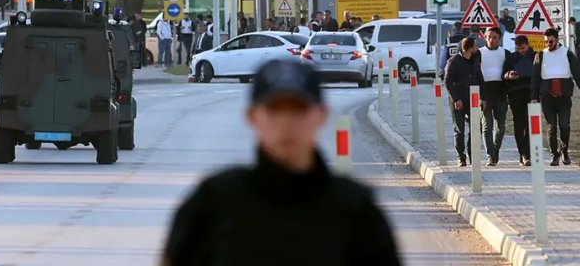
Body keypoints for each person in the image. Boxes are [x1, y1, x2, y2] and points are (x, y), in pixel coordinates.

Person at [162, 60, 401, 266]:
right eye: (275, 110)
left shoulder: (355, 210)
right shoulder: (214, 203)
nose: (287, 122)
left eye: (299, 109)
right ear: (253, 117)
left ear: (321, 115)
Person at [531, 28, 580, 167]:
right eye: (545, 42)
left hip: (564, 97)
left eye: (550, 41)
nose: (548, 44)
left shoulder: (567, 54)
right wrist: (533, 97)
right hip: (547, 97)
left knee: (564, 125)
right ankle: (554, 155)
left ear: (557, 40)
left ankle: (564, 151)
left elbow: (577, 75)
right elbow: (535, 78)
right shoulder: (540, 55)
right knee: (551, 127)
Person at [444, 37, 482, 167]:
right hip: (458, 100)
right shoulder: (453, 61)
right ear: (470, 48)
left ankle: (473, 154)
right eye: (475, 46)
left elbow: (479, 78)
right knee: (459, 130)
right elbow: (447, 82)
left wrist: (483, 97)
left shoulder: (476, 59)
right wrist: (456, 99)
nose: (477, 48)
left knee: (476, 128)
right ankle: (461, 156)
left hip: (473, 99)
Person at [476, 27, 509, 167]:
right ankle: (490, 155)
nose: (491, 39)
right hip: (485, 93)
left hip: (500, 92)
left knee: (500, 127)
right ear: (485, 37)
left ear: (499, 38)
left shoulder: (505, 53)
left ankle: (495, 150)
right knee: (486, 126)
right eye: (489, 37)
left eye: (494, 37)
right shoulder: (479, 53)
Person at [503, 35, 535, 166]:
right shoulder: (511, 58)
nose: (521, 51)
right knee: (519, 125)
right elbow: (503, 75)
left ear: (528, 45)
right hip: (516, 95)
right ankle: (522, 154)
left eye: (523, 48)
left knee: (530, 126)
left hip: (532, 95)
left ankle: (527, 154)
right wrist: (509, 75)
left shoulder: (535, 57)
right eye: (518, 48)